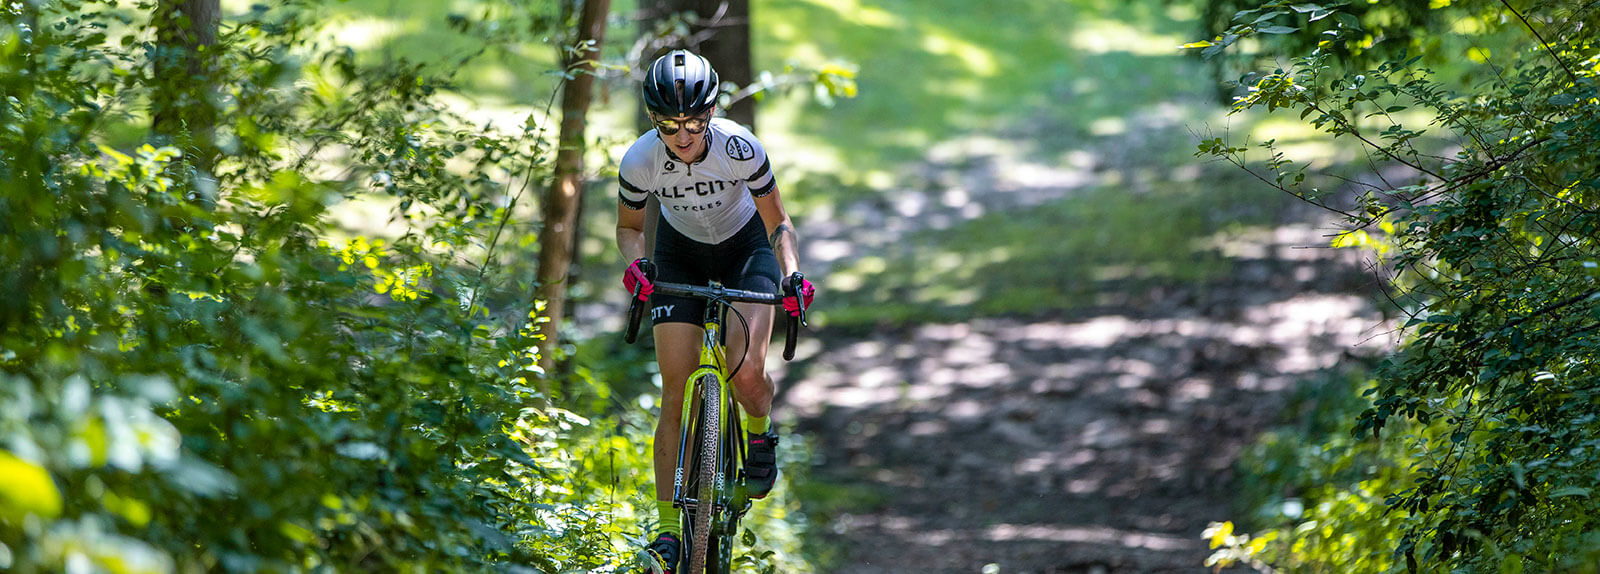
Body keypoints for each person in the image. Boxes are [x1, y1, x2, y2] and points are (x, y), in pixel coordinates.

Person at [616, 50, 815, 570]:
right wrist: (636, 264)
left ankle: (759, 432)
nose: (681, 136)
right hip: (678, 252)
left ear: (710, 113)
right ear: (653, 120)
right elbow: (630, 228)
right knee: (674, 388)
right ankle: (666, 534)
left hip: (745, 249)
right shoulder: (640, 160)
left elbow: (778, 222)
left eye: (692, 122)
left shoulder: (740, 147)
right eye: (668, 124)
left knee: (745, 373)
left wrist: (791, 271)